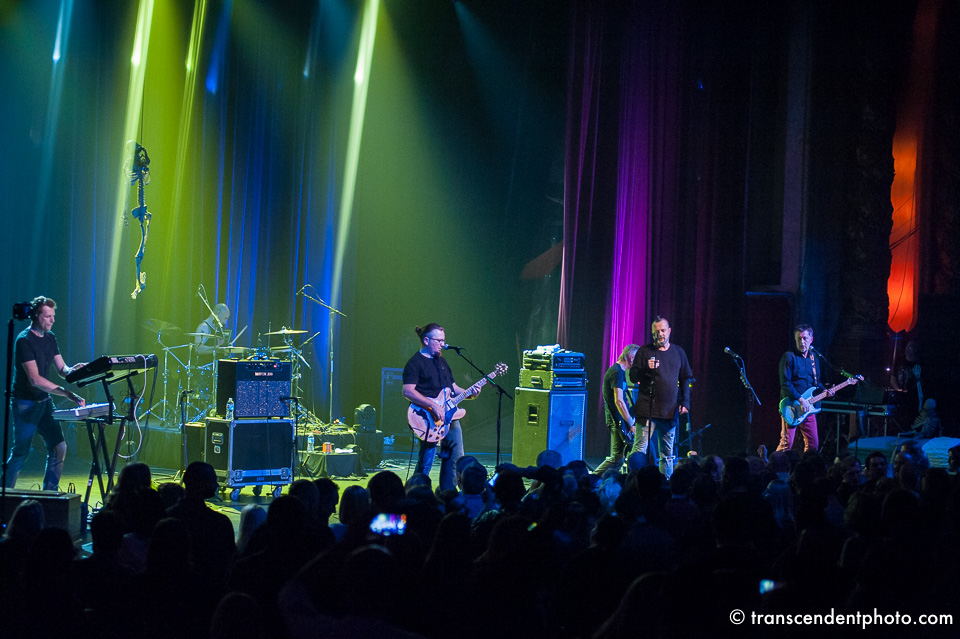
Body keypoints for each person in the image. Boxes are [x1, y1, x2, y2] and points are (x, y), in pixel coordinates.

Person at [4, 296, 85, 491]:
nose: (52, 320)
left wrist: (75, 370)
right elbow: (35, 380)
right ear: (35, 316)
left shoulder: (50, 337)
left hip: (44, 401)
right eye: (47, 316)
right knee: (21, 453)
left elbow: (62, 369)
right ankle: (4, 494)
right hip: (25, 403)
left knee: (59, 447)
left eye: (53, 316)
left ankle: (50, 494)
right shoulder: (24, 340)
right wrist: (66, 393)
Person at [402, 323, 481, 492]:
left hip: (450, 417)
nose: (443, 344)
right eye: (439, 341)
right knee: (426, 462)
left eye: (443, 340)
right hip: (428, 419)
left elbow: (453, 388)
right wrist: (432, 405)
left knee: (457, 459)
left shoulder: (442, 361)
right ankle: (416, 494)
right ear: (426, 340)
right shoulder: (415, 363)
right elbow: (408, 391)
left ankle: (450, 495)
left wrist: (471, 393)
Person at [628, 316, 693, 479]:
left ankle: (666, 484)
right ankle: (634, 483)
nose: (660, 334)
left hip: (669, 411)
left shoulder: (678, 352)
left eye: (663, 330)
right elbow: (633, 376)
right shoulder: (645, 351)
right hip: (647, 410)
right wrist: (645, 368)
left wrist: (685, 402)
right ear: (652, 333)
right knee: (640, 451)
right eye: (656, 332)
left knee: (667, 454)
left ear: (669, 331)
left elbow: (685, 378)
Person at [776, 323, 834, 454]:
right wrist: (801, 400)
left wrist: (825, 391)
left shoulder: (814, 358)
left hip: (809, 407)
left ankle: (808, 465)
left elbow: (816, 383)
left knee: (813, 444)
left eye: (805, 338)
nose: (802, 342)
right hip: (791, 405)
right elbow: (785, 383)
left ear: (811, 339)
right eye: (799, 338)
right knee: (786, 444)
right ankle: (775, 465)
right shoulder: (789, 357)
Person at [594, 344, 640, 476]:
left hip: (618, 419)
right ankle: (592, 479)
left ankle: (596, 480)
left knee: (618, 458)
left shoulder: (620, 372)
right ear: (631, 357)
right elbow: (619, 401)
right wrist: (631, 423)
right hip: (616, 419)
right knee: (616, 459)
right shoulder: (616, 372)